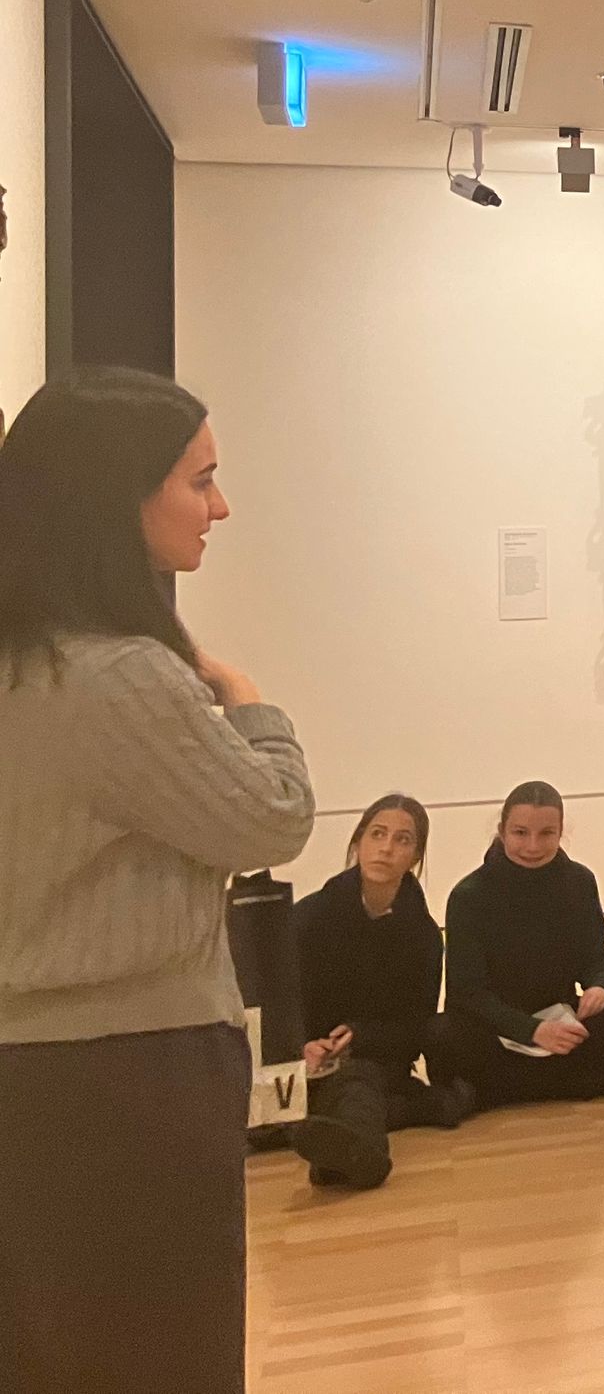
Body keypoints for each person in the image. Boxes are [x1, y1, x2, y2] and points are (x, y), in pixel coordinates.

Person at [0, 368, 316, 1394]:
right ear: (116, 494)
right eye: (200, 479)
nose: (220, 507)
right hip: (129, 1074)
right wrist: (250, 704)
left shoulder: (27, 659)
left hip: (33, 1072)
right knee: (160, 1354)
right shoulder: (118, 676)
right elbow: (274, 817)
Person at [431, 782, 604, 1108]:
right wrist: (533, 1031)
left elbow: (597, 957)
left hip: (558, 1017)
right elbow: (468, 993)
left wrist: (600, 986)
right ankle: (583, 1082)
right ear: (502, 831)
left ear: (561, 832)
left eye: (546, 833)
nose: (532, 846)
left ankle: (494, 1092)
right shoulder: (469, 895)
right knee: (441, 1035)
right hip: (495, 1026)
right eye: (520, 833)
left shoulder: (579, 882)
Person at [290, 795, 473, 1191]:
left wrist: (360, 1036)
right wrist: (304, 1045)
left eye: (402, 840)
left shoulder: (423, 936)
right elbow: (281, 1003)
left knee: (357, 1083)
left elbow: (418, 1027)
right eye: (377, 834)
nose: (386, 848)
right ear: (358, 842)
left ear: (416, 857)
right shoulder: (308, 918)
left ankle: (358, 1159)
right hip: (306, 1061)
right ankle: (365, 1137)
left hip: (375, 1061)